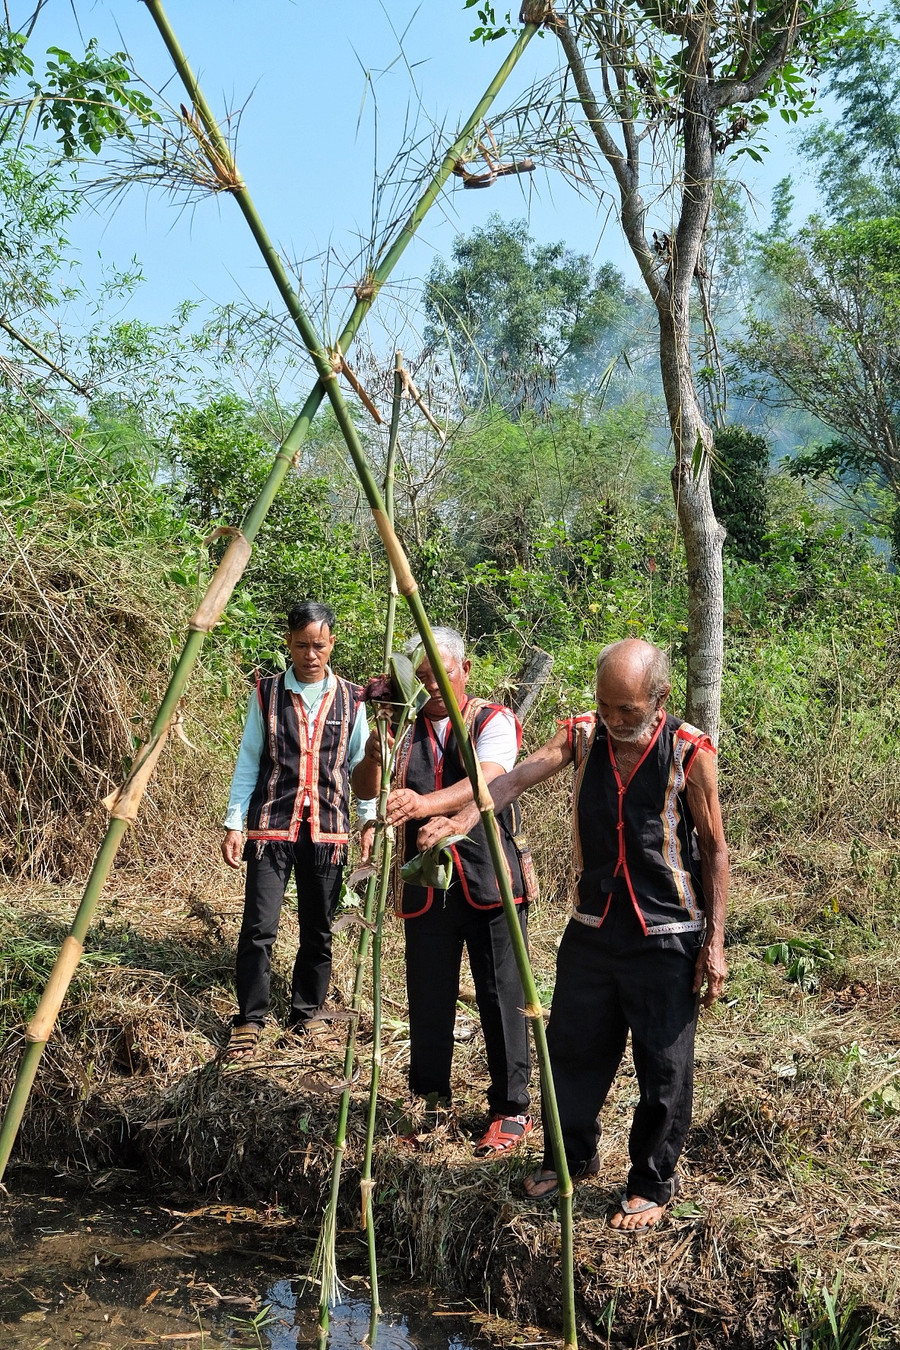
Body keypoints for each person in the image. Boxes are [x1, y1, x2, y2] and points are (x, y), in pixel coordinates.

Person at [419, 638, 728, 1232]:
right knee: (570, 1052)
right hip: (594, 925)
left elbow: (715, 849)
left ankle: (651, 1183)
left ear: (659, 699)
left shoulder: (690, 752)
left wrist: (713, 944)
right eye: (605, 706)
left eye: (627, 711)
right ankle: (571, 1157)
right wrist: (463, 817)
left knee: (664, 1067)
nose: (613, 720)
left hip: (667, 931)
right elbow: (515, 779)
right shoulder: (584, 735)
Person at [353, 627, 534, 1155]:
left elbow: (488, 779)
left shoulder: (492, 719)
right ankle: (430, 1104)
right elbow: (365, 788)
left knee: (502, 995)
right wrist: (375, 752)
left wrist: (422, 804)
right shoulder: (398, 726)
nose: (433, 686)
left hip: (489, 879)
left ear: (465, 670)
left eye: (443, 674)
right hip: (424, 884)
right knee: (428, 995)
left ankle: (511, 1109)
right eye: (423, 677)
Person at [220, 601, 375, 1059]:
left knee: (319, 927)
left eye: (320, 646)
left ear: (332, 645)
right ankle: (250, 1018)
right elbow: (250, 759)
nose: (311, 655)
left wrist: (367, 819)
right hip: (272, 825)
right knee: (259, 926)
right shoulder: (266, 693)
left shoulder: (352, 699)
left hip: (328, 829)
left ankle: (308, 1014)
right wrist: (234, 821)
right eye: (303, 645)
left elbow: (362, 765)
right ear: (288, 642)